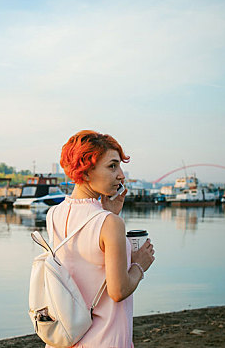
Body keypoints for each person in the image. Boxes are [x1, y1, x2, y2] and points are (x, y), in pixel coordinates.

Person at [46, 130, 155, 348]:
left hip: (67, 337)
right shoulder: (109, 224)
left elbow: (83, 267)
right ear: (85, 172)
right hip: (105, 339)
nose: (121, 175)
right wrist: (139, 265)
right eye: (112, 166)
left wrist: (109, 214)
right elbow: (118, 291)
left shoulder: (54, 214)